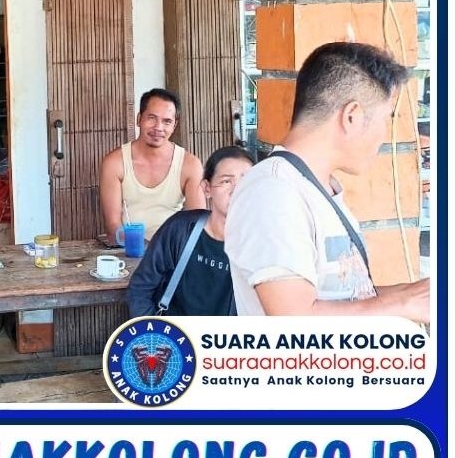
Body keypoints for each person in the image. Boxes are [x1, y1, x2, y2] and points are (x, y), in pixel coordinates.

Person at [224, 41, 429, 320]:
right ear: (352, 116)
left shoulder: (314, 187)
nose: (384, 134)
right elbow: (294, 321)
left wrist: (415, 294)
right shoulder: (273, 192)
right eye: (385, 119)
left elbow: (347, 298)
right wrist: (403, 303)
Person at [126, 146, 254, 317]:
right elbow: (141, 287)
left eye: (246, 182)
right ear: (207, 188)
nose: (236, 190)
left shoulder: (260, 246)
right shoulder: (179, 229)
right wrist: (154, 330)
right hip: (173, 332)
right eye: (226, 181)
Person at [98, 87, 205, 241]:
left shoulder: (189, 165)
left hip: (172, 249)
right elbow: (113, 225)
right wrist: (143, 248)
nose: (158, 127)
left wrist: (166, 249)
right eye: (152, 118)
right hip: (130, 249)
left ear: (174, 126)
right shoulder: (115, 163)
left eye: (167, 121)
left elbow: (196, 225)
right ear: (139, 119)